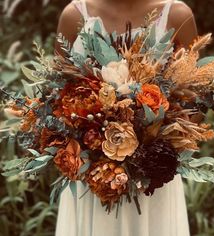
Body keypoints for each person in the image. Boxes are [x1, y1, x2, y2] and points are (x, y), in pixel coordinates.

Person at [55, 0, 198, 235]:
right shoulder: (74, 16)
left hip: (153, 183)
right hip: (93, 182)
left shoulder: (176, 15)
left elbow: (196, 104)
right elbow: (57, 100)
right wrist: (96, 146)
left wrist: (151, 145)